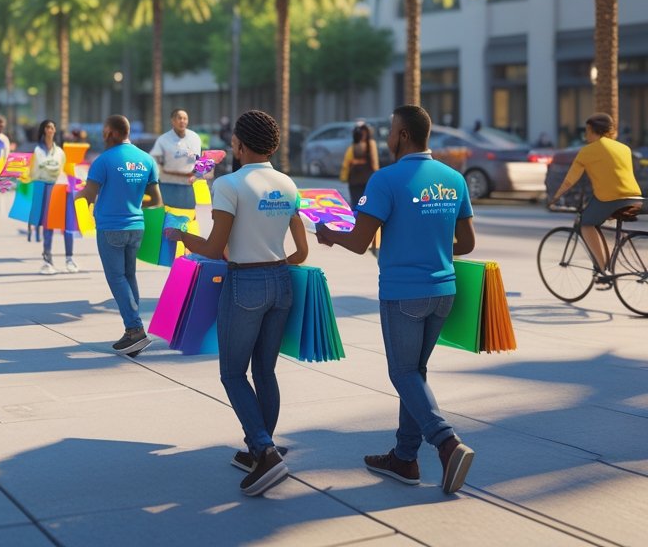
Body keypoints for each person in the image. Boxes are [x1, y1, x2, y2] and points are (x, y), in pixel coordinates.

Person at [317, 105, 477, 495]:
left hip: (404, 293)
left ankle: (446, 443)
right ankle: (404, 458)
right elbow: (468, 243)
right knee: (415, 373)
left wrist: (328, 233)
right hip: (444, 292)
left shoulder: (386, 179)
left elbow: (358, 242)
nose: (387, 136)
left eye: (390, 130)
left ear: (403, 135)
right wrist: (429, 243)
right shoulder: (453, 179)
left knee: (402, 373)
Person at [166, 110, 308, 497]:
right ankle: (260, 447)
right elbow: (302, 251)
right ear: (272, 145)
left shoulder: (228, 184)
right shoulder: (287, 183)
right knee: (266, 373)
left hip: (246, 283)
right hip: (281, 281)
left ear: (239, 145)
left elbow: (213, 248)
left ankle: (264, 451)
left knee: (232, 373)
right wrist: (272, 260)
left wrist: (181, 235)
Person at [77, 115, 163, 356]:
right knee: (128, 276)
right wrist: (131, 204)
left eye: (105, 132)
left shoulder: (103, 161)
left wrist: (73, 198)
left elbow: (89, 194)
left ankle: (135, 330)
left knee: (116, 278)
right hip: (136, 226)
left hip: (111, 227)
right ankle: (131, 333)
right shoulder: (146, 160)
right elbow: (156, 201)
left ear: (110, 133)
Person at [550, 112, 643, 270]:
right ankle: (615, 256)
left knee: (586, 224)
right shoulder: (624, 148)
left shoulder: (587, 151)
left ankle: (603, 267)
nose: (586, 135)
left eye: (587, 131)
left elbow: (569, 181)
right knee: (602, 220)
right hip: (635, 198)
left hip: (610, 199)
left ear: (593, 130)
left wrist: (554, 199)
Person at [31, 119, 78, 274]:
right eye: (48, 127)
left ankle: (69, 259)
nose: (51, 130)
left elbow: (66, 170)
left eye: (53, 127)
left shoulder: (60, 152)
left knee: (67, 225)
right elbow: (33, 172)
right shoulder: (37, 151)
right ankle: (47, 260)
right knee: (48, 225)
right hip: (44, 188)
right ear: (44, 130)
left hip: (60, 188)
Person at [150, 108, 202, 211]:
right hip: (168, 185)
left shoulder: (195, 137)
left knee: (187, 221)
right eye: (179, 118)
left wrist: (198, 174)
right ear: (172, 121)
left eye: (185, 118)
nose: (182, 121)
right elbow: (154, 161)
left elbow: (201, 160)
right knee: (168, 220)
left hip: (188, 186)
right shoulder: (163, 140)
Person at [340, 123, 380, 209]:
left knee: (356, 204)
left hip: (354, 180)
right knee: (367, 205)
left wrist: (344, 177)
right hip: (367, 179)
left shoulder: (352, 147)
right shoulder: (371, 144)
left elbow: (346, 164)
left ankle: (356, 220)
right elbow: (374, 163)